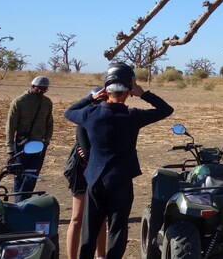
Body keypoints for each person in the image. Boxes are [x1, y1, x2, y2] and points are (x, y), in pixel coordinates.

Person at [65, 62, 173, 259]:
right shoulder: (132, 116)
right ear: (128, 91)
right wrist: (144, 94)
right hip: (121, 180)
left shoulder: (90, 113)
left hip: (94, 179)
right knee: (117, 229)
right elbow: (166, 110)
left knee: (89, 231)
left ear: (106, 90)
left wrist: (90, 98)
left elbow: (69, 112)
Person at [6, 76, 54, 201]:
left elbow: (49, 123)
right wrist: (10, 148)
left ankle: (22, 202)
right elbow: (10, 127)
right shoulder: (19, 102)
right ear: (32, 86)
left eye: (45, 89)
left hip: (40, 145)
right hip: (22, 145)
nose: (42, 92)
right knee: (19, 175)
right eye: (40, 89)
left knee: (32, 175)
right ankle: (19, 203)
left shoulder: (47, 102)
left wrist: (47, 141)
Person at [65, 121, 107, 259]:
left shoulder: (107, 115)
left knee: (101, 217)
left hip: (101, 172)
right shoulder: (86, 117)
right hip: (83, 172)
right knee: (77, 218)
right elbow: (84, 146)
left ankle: (101, 256)